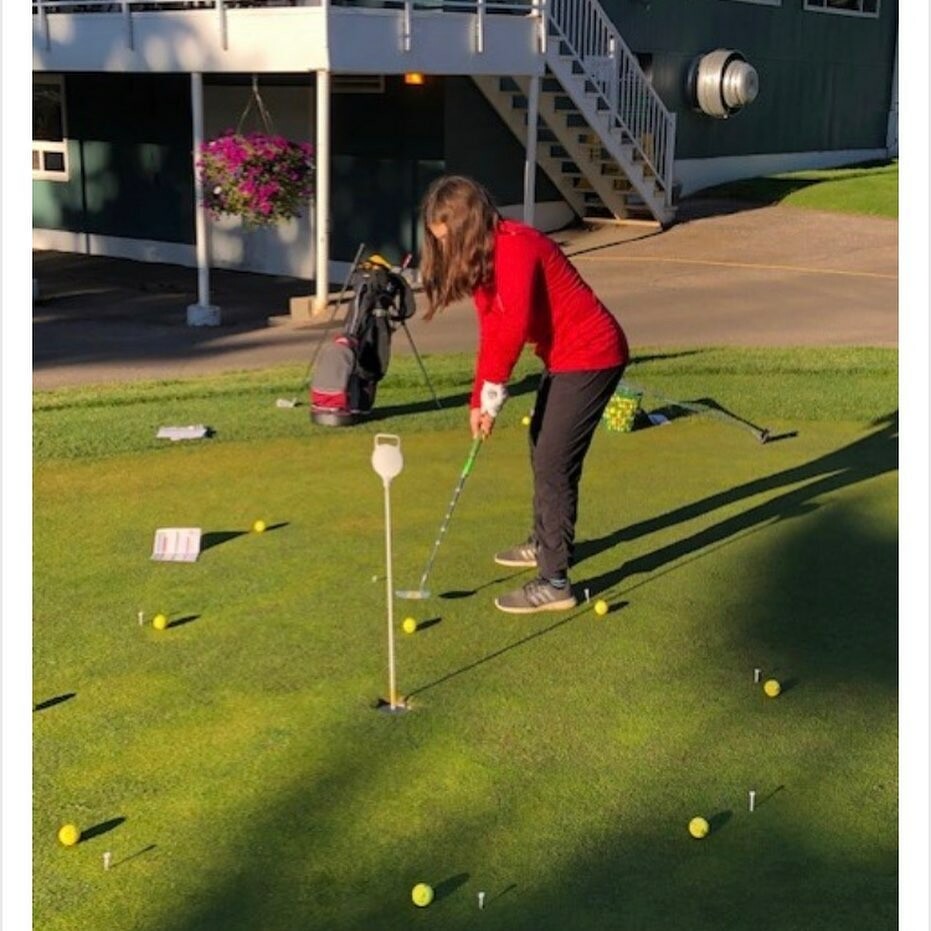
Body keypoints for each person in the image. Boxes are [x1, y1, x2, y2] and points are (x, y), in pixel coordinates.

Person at [419, 175, 629, 614]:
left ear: (469, 224)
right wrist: (479, 399)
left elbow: (512, 327)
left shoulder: (515, 246)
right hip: (565, 357)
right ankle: (546, 542)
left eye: (447, 238)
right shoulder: (484, 262)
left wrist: (493, 391)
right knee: (543, 449)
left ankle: (554, 582)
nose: (443, 250)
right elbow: (492, 331)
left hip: (593, 354)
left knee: (554, 461)